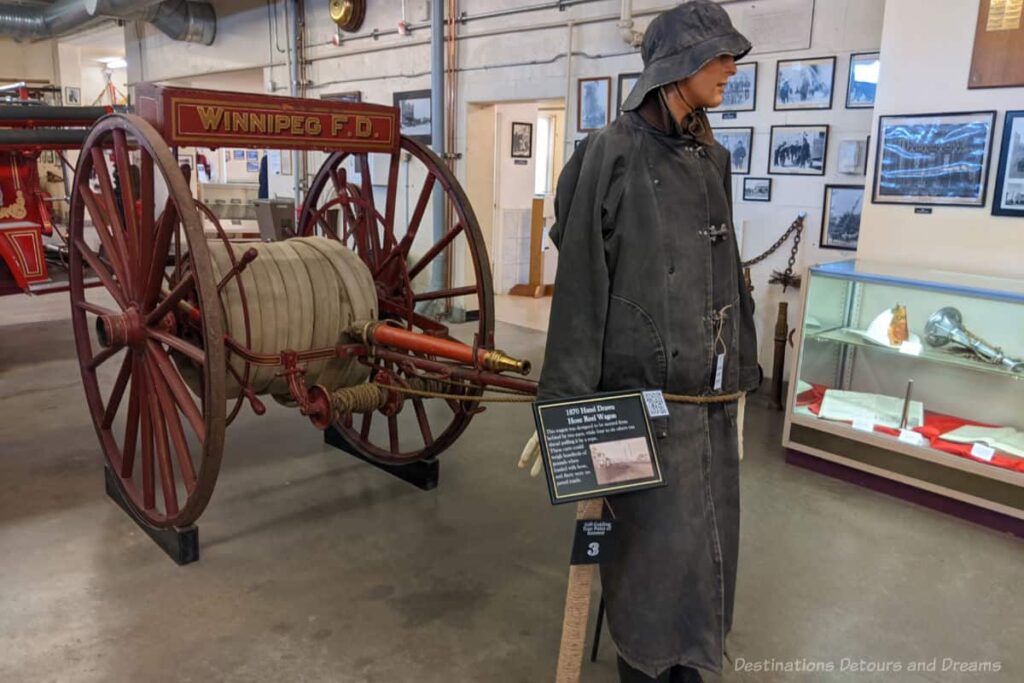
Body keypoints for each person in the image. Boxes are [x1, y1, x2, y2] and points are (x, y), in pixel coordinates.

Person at [518, 2, 759, 681]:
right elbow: (583, 287)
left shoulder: (713, 155)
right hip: (641, 412)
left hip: (708, 406)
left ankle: (689, 658)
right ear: (675, 68)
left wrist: (741, 365)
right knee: (649, 566)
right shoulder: (611, 154)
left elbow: (725, 268)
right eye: (717, 57)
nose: (729, 69)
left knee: (706, 552)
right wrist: (567, 405)